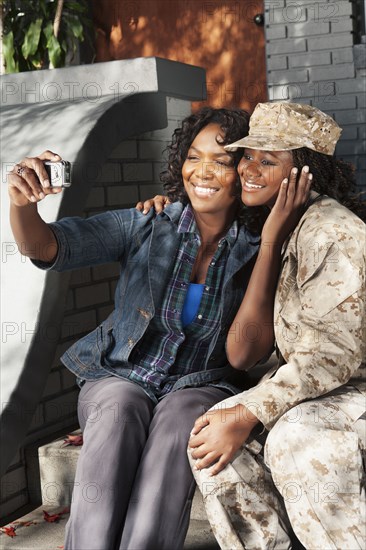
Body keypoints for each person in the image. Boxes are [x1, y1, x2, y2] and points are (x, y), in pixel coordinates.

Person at [7, 106, 311, 550]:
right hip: (120, 375)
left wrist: (269, 246)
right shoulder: (148, 223)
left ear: (244, 172)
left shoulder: (259, 246)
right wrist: (21, 205)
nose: (203, 171)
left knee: (181, 424)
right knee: (117, 410)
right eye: (193, 156)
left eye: (222, 161)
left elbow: (243, 356)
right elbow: (46, 245)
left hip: (200, 383)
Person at [142, 102, 366, 550]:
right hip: (324, 388)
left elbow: (332, 356)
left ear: (307, 173)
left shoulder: (333, 233)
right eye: (247, 155)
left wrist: (249, 411)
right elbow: (243, 353)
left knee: (297, 438)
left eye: (269, 160)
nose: (249, 169)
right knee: (210, 437)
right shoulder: (280, 226)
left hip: (351, 386)